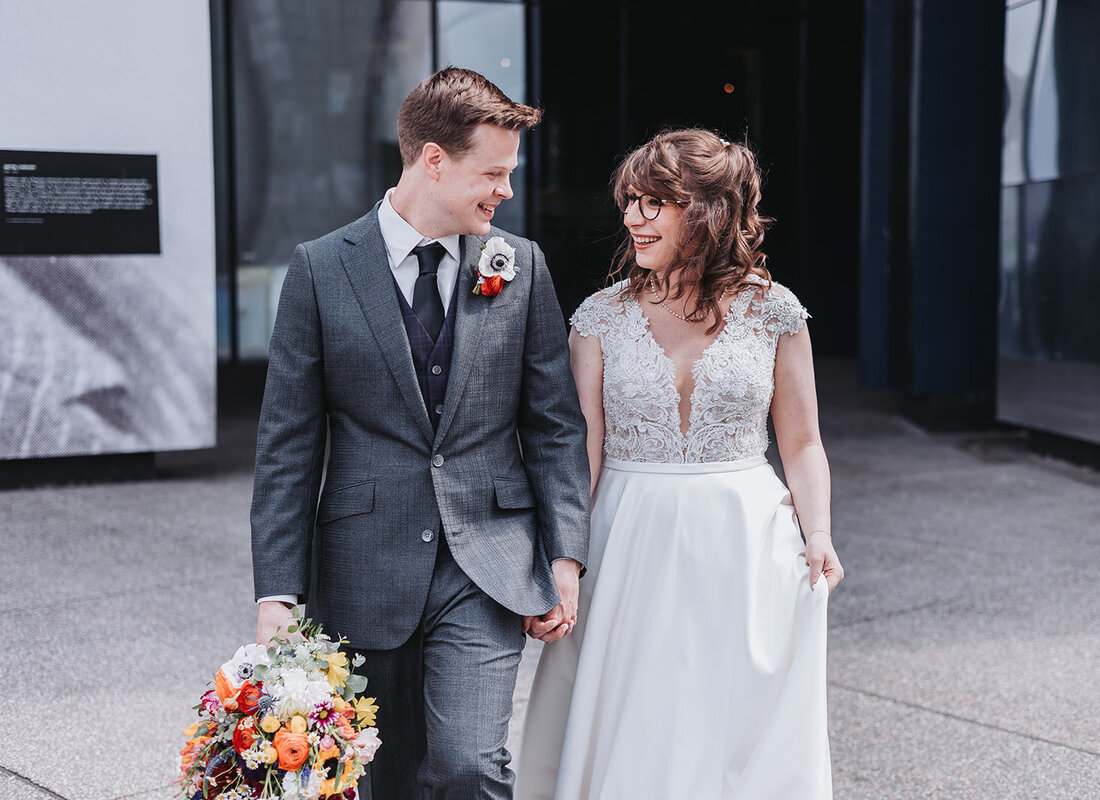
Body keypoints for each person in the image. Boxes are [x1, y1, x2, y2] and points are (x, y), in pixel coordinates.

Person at [250, 67, 591, 800]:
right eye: (492, 173)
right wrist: (276, 592)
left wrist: (565, 556)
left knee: (468, 764)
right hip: (362, 563)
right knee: (389, 775)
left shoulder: (520, 265)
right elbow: (287, 446)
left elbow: (556, 424)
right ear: (433, 160)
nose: (505, 190)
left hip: (489, 563)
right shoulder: (319, 270)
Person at [515, 129, 844, 799]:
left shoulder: (775, 312)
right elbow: (583, 452)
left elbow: (802, 442)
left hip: (745, 542)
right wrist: (564, 560)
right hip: (627, 538)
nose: (632, 218)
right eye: (629, 201)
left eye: (653, 203)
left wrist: (820, 536)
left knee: (730, 722)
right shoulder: (599, 319)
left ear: (709, 211)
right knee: (636, 715)